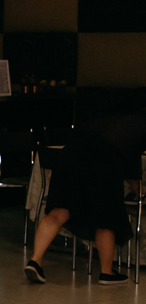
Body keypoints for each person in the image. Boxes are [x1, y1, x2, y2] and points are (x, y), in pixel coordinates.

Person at [25, 108, 146, 286]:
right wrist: (138, 189)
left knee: (60, 211)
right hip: (102, 159)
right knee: (105, 217)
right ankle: (106, 272)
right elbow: (130, 160)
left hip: (70, 154)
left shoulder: (113, 117)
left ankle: (35, 261)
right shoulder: (141, 126)